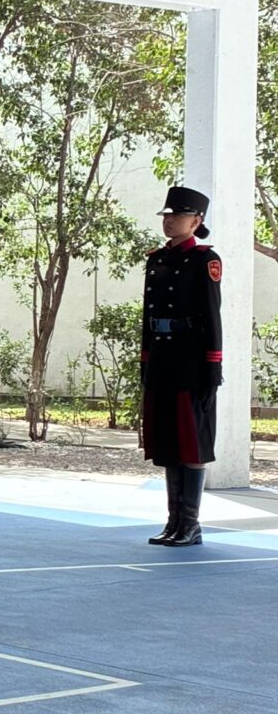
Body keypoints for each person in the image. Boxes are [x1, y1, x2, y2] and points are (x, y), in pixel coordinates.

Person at [141, 185, 222, 547]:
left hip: (191, 360)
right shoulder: (157, 259)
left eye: (178, 215)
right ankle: (174, 522)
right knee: (168, 441)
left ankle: (190, 524)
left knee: (192, 441)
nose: (170, 220)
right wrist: (145, 360)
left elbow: (212, 316)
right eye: (167, 215)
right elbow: (148, 316)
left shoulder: (205, 260)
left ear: (196, 220)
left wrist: (213, 364)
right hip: (162, 359)